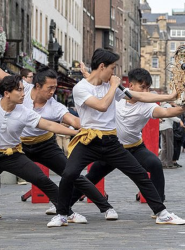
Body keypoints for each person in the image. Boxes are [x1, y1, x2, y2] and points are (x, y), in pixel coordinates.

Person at [47, 49, 185, 227]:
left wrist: (169, 96)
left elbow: (138, 96)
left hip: (111, 142)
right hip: (88, 140)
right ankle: (62, 214)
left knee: (140, 174)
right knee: (70, 174)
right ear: (102, 66)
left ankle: (162, 213)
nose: (114, 73)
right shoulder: (81, 88)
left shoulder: (111, 86)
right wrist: (114, 86)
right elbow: (101, 106)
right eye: (112, 68)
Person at [69, 67, 185, 204]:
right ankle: (65, 205)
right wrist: (90, 74)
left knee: (154, 164)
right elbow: (99, 84)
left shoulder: (147, 105)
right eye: (142, 87)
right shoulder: (116, 96)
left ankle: (159, 205)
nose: (146, 92)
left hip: (134, 148)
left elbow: (166, 113)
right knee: (92, 175)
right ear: (131, 86)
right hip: (112, 148)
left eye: (148, 88)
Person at [20, 65, 117, 222]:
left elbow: (72, 120)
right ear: (37, 86)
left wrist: (92, 126)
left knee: (73, 175)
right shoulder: (22, 90)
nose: (52, 92)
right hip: (20, 146)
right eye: (49, 88)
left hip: (46, 146)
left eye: (55, 88)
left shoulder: (55, 106)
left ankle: (106, 207)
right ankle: (66, 211)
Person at [0, 75, 77, 219]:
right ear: (6, 93)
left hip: (13, 155)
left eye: (23, 90)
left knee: (41, 179)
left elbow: (49, 125)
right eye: (19, 90)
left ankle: (67, 213)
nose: (24, 94)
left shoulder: (24, 112)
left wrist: (76, 132)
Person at [159, 101, 183, 168]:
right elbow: (170, 115)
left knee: (164, 146)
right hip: (168, 127)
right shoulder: (168, 106)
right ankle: (169, 163)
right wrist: (179, 121)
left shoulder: (162, 106)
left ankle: (163, 162)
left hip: (162, 127)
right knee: (170, 146)